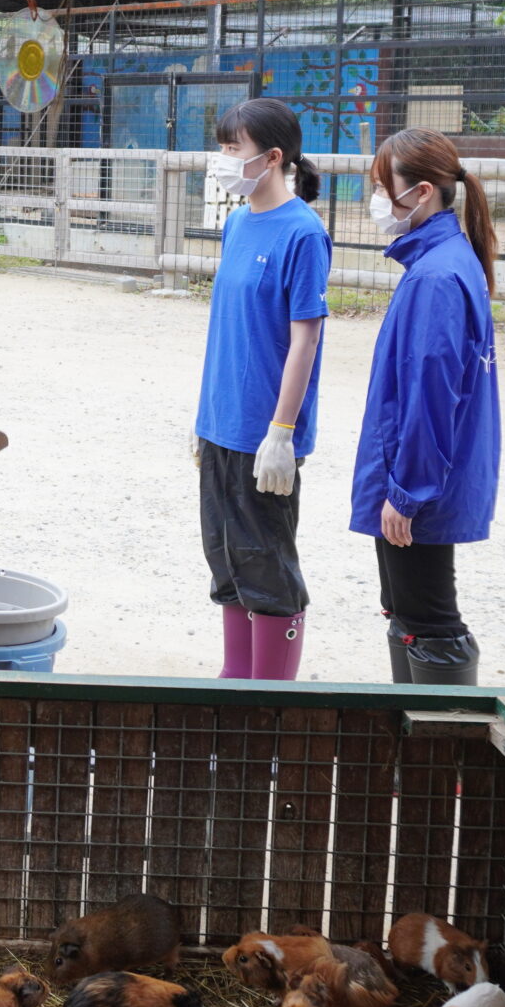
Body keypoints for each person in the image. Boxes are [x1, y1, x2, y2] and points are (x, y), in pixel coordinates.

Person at [353, 127, 501, 684]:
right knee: (407, 612)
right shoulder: (443, 261)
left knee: (430, 619)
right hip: (420, 475)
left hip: (419, 482)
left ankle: (443, 734)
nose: (375, 200)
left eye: (381, 187)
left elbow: (431, 394)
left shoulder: (436, 276)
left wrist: (407, 491)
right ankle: (410, 732)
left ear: (419, 193)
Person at [193, 99, 329, 681]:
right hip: (221, 422)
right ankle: (236, 678)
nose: (223, 159)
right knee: (225, 557)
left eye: (233, 149)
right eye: (222, 147)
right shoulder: (237, 223)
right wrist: (204, 419)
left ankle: (271, 694)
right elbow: (229, 327)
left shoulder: (303, 232)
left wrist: (282, 431)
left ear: (273, 158)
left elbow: (305, 338)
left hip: (264, 429)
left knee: (268, 565)